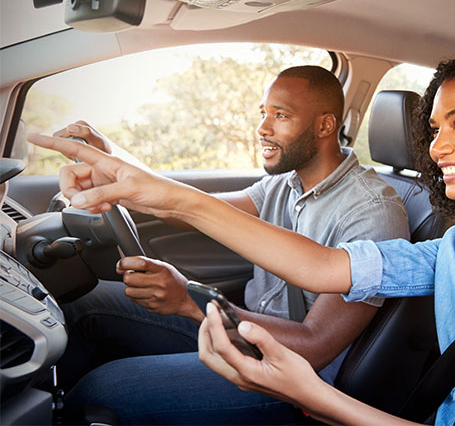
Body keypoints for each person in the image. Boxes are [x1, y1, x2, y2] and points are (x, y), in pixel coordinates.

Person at [29, 38, 455, 425]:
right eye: (434, 129)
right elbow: (327, 268)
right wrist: (154, 188)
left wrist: (311, 397)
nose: (438, 147)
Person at [50, 65, 410, 424]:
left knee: (100, 393)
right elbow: (188, 209)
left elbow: (314, 347)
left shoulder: (373, 213)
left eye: (280, 115)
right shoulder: (285, 184)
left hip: (291, 378)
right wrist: (113, 164)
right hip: (245, 331)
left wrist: (188, 301)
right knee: (83, 306)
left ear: (325, 126)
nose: (262, 128)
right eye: (263, 113)